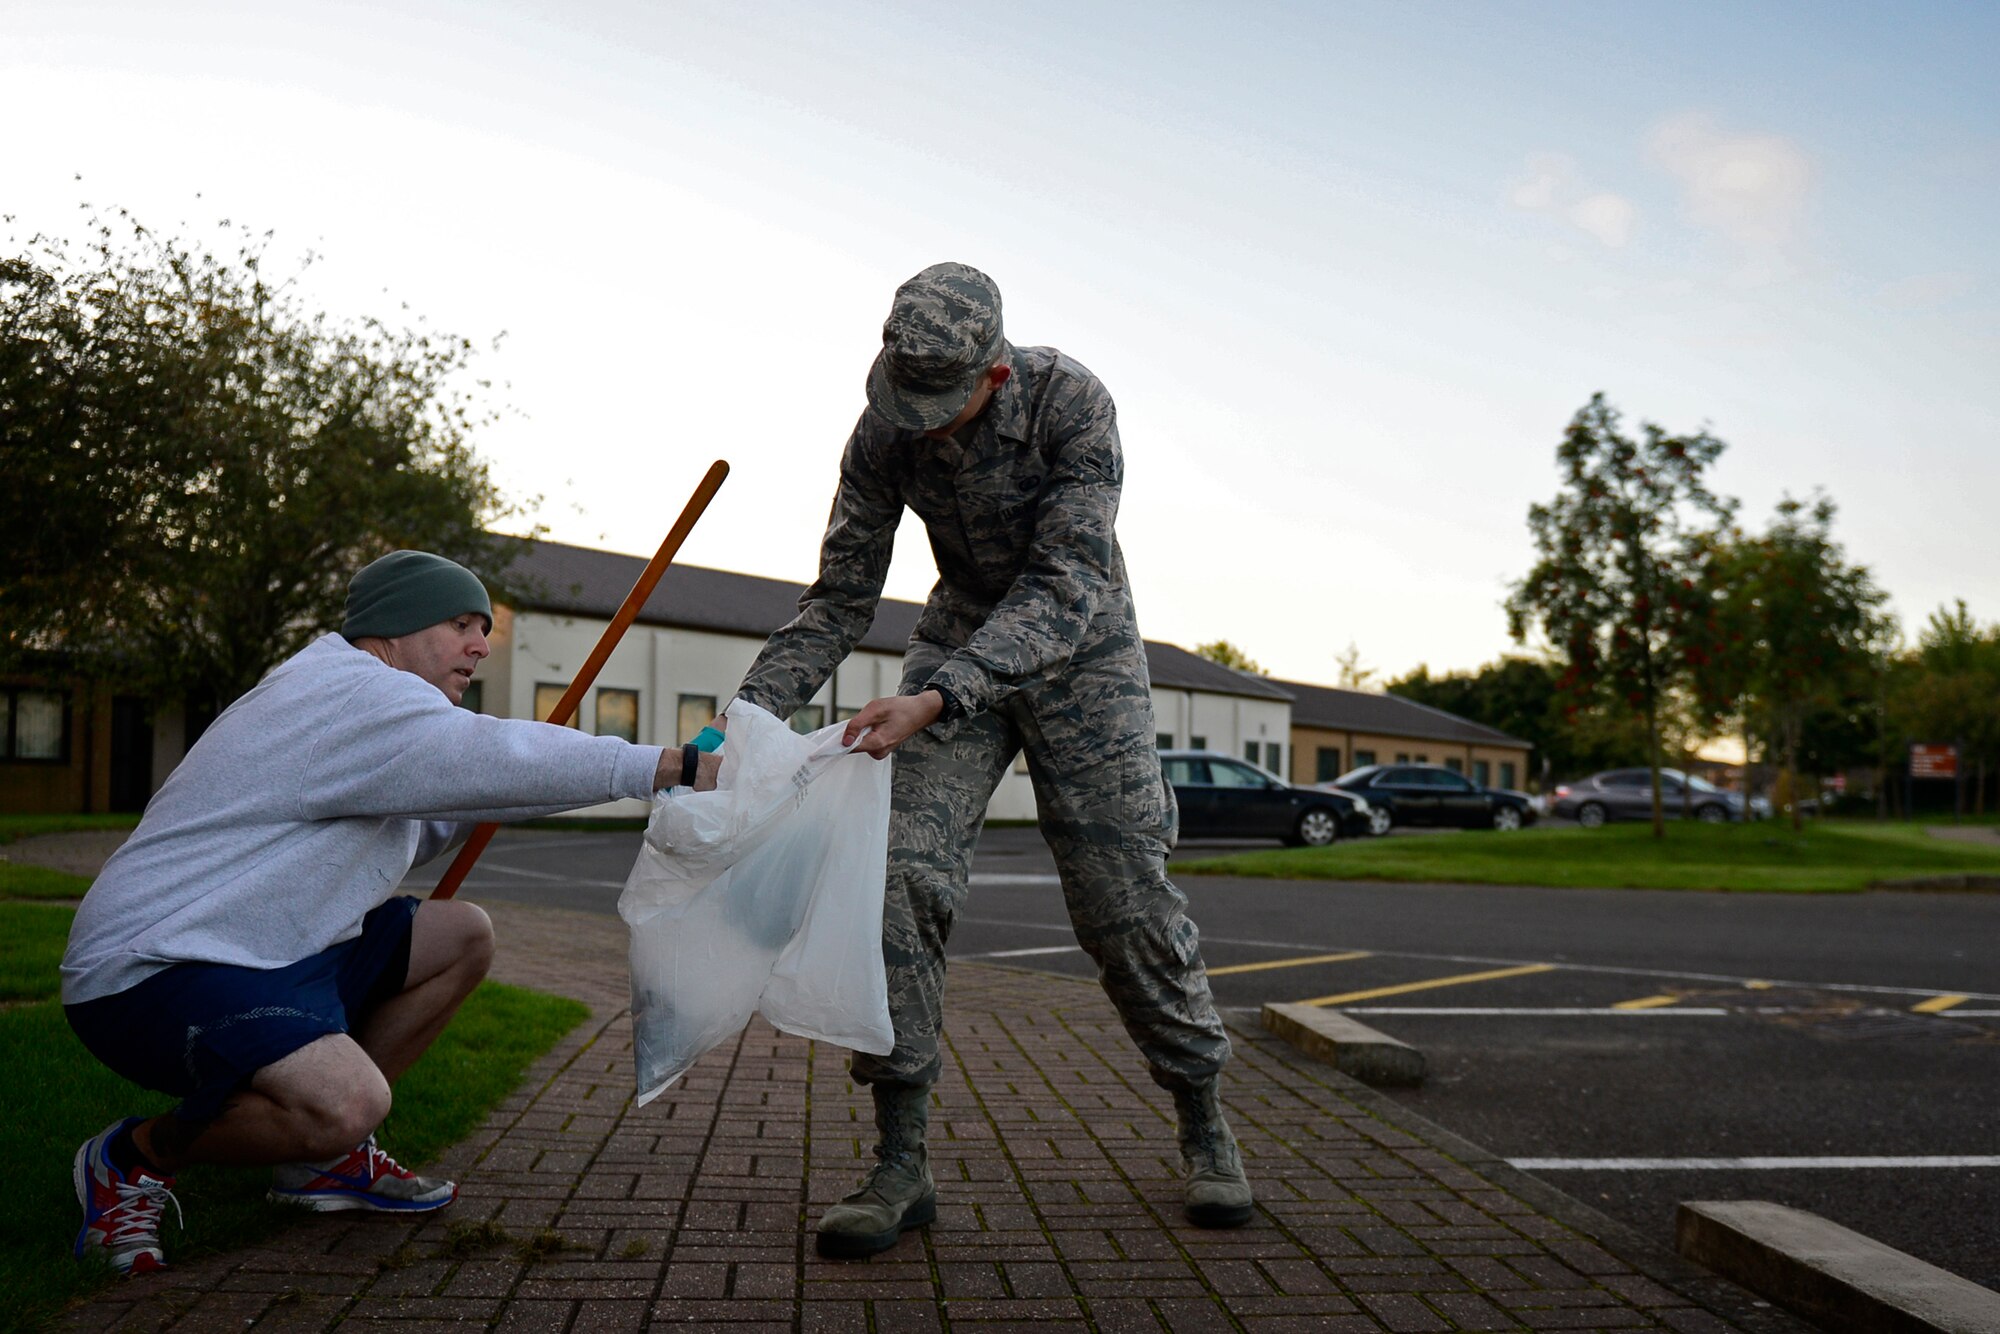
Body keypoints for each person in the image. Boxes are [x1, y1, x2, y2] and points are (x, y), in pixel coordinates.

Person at [728, 263, 1251, 1258]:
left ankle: (1201, 1116)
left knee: (1122, 901)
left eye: (941, 405)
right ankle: (900, 1157)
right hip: (957, 632)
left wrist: (933, 695)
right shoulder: (883, 430)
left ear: (994, 376)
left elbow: (1063, 586)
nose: (920, 426)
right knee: (893, 871)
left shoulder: (1071, 402)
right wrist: (743, 717)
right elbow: (839, 597)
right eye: (905, 402)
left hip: (1082, 651)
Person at [61, 549, 721, 1276]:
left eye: (484, 627)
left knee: (462, 933)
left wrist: (486, 797)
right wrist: (672, 765)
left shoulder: (373, 709)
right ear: (395, 628)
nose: (481, 643)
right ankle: (132, 1157)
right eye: (461, 624)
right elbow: (499, 753)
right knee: (345, 1101)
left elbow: (441, 802)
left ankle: (321, 1164)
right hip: (156, 964)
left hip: (270, 945)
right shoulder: (350, 695)